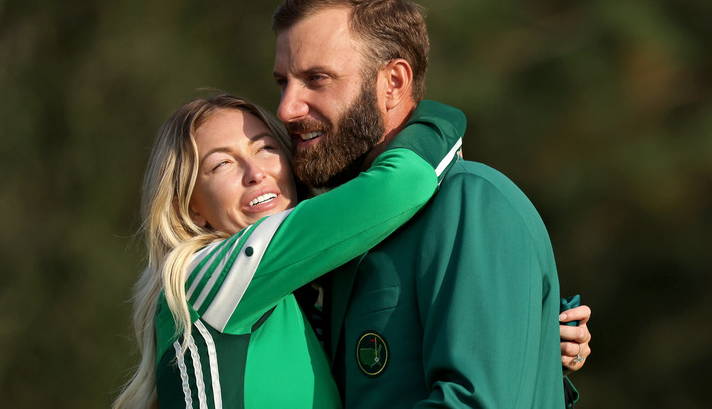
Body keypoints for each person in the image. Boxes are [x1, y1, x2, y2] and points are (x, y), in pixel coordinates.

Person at [272, 0, 590, 408]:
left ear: (394, 81)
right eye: (283, 83)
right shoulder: (334, 229)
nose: (287, 108)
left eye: (317, 79)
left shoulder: (474, 206)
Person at [112, 92, 467, 408]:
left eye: (265, 148)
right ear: (191, 208)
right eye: (222, 164)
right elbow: (405, 182)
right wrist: (436, 116)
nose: (254, 173)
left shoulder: (294, 296)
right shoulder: (209, 275)